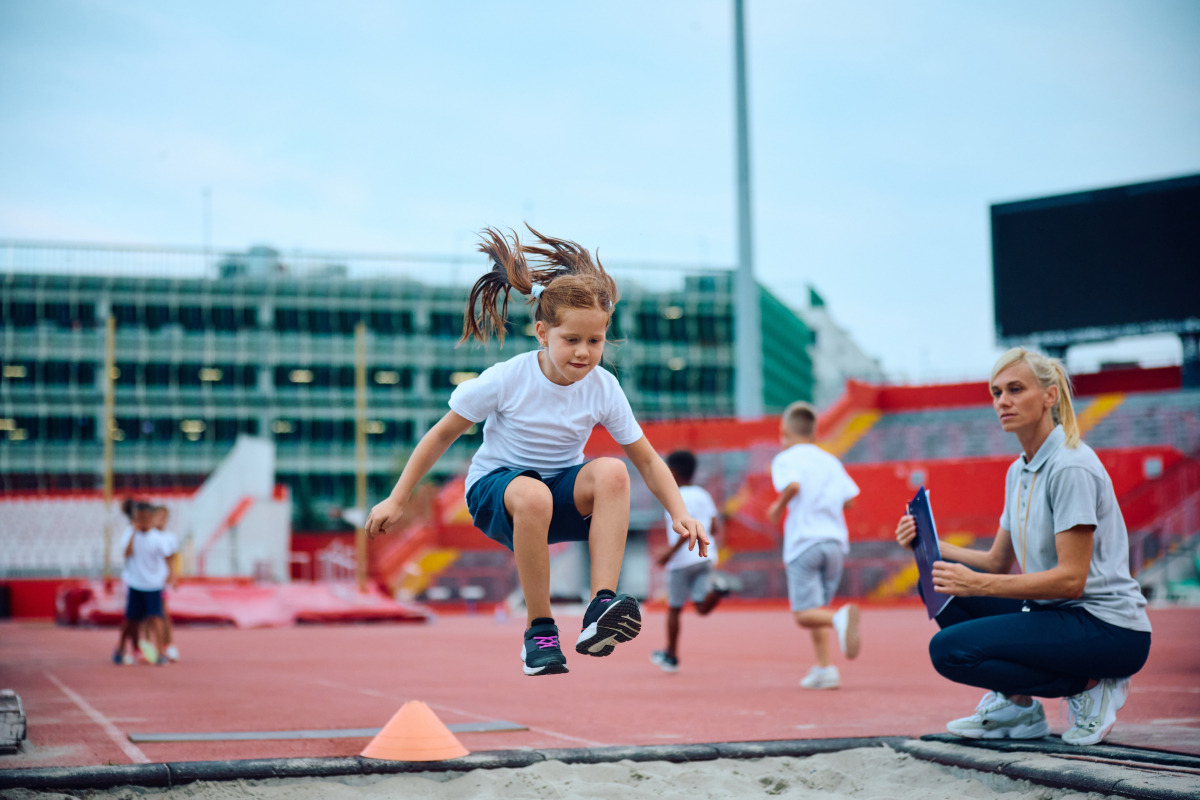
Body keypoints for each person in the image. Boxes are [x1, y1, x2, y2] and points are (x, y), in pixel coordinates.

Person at [366, 226, 708, 677]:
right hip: (497, 493)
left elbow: (645, 458)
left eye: (595, 341)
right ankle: (539, 632)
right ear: (542, 332)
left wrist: (679, 511)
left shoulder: (604, 387)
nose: (584, 353)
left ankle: (600, 606)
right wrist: (398, 497)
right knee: (532, 494)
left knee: (612, 472)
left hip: (560, 494)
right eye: (572, 340)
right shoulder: (506, 379)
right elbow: (440, 435)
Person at [895, 348, 1151, 746]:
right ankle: (1017, 707)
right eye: (996, 393)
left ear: (1050, 396)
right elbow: (997, 561)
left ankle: (1090, 686)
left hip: (1107, 628)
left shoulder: (1071, 466)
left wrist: (976, 585)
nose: (1003, 402)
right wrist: (930, 543)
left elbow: (1070, 581)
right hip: (1057, 615)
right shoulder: (1019, 470)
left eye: (1015, 389)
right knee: (937, 580)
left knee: (949, 651)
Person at [768, 401, 862, 690]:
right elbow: (850, 499)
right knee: (816, 607)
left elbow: (793, 486)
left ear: (784, 431)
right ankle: (825, 669)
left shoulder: (785, 459)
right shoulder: (830, 460)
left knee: (803, 614)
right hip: (834, 543)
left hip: (805, 542)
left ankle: (840, 617)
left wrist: (777, 507)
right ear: (814, 432)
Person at [650, 450, 729, 673]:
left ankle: (671, 656)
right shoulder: (703, 494)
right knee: (701, 607)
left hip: (683, 560)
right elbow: (714, 527)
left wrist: (668, 554)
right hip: (706, 557)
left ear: (673, 471)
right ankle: (718, 591)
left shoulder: (676, 495)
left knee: (674, 608)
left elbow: (684, 531)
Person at [115, 502, 178, 666]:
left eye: (145, 518)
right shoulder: (130, 534)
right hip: (135, 584)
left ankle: (160, 652)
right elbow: (126, 554)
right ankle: (120, 649)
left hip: (154, 585)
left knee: (157, 617)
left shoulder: (157, 538)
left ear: (150, 519)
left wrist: (171, 575)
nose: (142, 522)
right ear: (135, 519)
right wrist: (134, 534)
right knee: (131, 620)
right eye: (139, 518)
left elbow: (169, 555)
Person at [148, 505, 180, 662]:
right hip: (144, 581)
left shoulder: (169, 538)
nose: (161, 520)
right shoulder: (147, 536)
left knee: (163, 613)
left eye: (164, 517)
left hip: (159, 582)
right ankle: (147, 645)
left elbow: (171, 558)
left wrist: (173, 576)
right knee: (145, 617)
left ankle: (168, 644)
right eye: (158, 516)